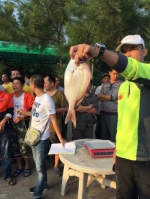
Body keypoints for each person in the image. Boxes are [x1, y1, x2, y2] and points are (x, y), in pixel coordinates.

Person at [69, 35, 150, 199]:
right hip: (122, 157)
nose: (128, 54)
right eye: (124, 51)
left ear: (145, 51)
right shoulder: (123, 86)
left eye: (133, 49)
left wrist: (98, 51)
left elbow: (132, 67)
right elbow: (123, 120)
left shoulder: (147, 72)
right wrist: (116, 151)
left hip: (145, 157)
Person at [18, 75, 66, 199]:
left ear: (34, 86)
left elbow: (53, 120)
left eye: (30, 84)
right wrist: (24, 113)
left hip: (41, 138)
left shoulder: (47, 100)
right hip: (33, 136)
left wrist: (60, 138)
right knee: (40, 164)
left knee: (39, 167)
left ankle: (37, 194)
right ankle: (43, 184)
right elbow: (35, 115)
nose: (29, 85)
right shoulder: (37, 98)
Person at [44, 75, 68, 176]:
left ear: (52, 84)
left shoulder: (59, 94)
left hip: (56, 124)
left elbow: (66, 108)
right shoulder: (43, 94)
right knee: (46, 144)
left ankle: (56, 166)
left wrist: (52, 112)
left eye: (45, 82)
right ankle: (45, 163)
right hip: (45, 125)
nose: (43, 84)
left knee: (57, 144)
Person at [10, 77, 34, 178]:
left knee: (24, 146)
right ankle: (19, 167)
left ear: (23, 85)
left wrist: (22, 116)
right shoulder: (10, 96)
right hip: (11, 124)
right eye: (13, 83)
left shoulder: (28, 96)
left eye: (17, 83)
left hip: (23, 123)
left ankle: (27, 166)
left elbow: (33, 112)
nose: (15, 85)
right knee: (14, 147)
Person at [98, 69, 121, 142]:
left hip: (113, 114)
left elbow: (113, 96)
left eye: (117, 74)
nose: (115, 75)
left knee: (113, 137)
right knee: (104, 137)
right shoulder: (105, 85)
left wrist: (103, 96)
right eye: (114, 73)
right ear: (109, 73)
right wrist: (110, 99)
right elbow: (99, 97)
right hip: (103, 113)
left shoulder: (120, 84)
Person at [0, 90, 16, 186]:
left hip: (4, 128)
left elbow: (10, 111)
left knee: (5, 152)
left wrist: (3, 122)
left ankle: (8, 175)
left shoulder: (6, 95)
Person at [95, 73, 110, 139]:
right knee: (99, 128)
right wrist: (110, 99)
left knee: (106, 129)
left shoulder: (110, 87)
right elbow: (98, 98)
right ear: (102, 80)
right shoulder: (99, 88)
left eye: (108, 78)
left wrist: (104, 98)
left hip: (108, 111)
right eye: (105, 78)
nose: (106, 80)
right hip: (99, 111)